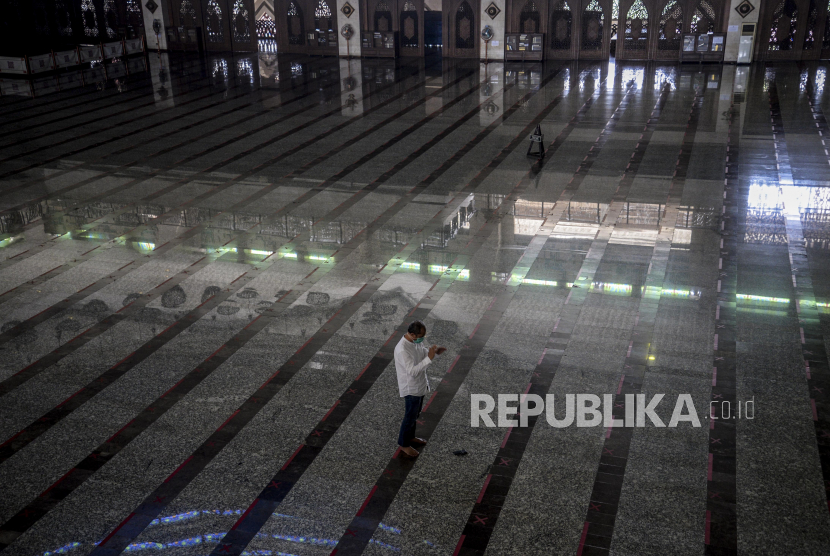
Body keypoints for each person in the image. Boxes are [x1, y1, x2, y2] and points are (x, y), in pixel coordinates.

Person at [395, 321, 446, 457]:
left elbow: (421, 351)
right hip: (411, 388)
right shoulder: (402, 350)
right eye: (421, 336)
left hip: (420, 386)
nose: (422, 338)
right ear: (412, 334)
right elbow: (412, 371)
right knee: (410, 416)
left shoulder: (415, 342)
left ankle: (410, 437)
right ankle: (404, 444)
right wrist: (429, 359)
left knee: (415, 415)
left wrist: (433, 352)